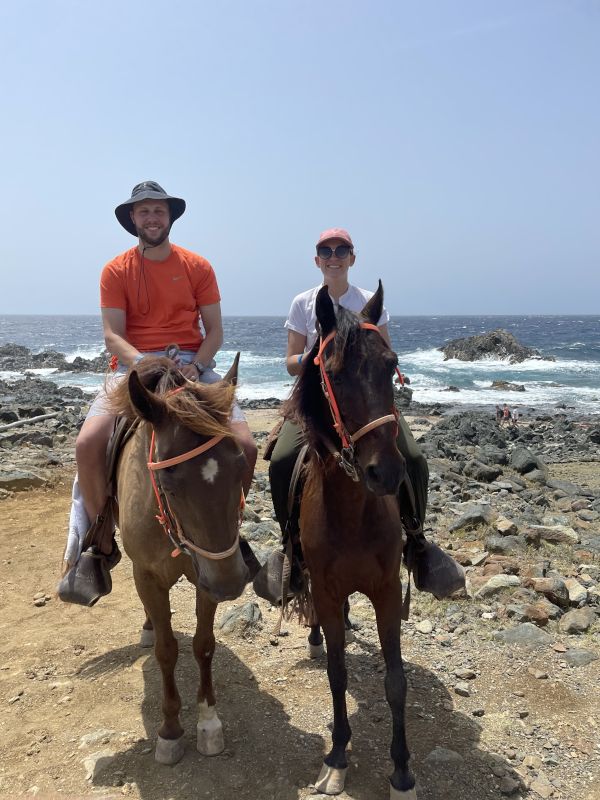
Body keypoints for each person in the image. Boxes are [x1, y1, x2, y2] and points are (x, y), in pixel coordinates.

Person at [60, 181, 258, 602]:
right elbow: (113, 335)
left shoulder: (198, 266)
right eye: (144, 211)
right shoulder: (115, 270)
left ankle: (227, 535)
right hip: (136, 366)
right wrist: (144, 364)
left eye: (159, 211)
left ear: (170, 217)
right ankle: (99, 543)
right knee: (88, 442)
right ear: (133, 219)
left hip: (192, 362)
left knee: (246, 445)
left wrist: (197, 363)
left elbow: (215, 331)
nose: (152, 218)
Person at [253, 227, 464, 604]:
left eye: (342, 250)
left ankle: (416, 542)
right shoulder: (303, 303)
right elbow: (290, 363)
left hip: (365, 402)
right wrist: (316, 355)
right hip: (315, 404)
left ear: (352, 258)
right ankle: (290, 545)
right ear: (317, 260)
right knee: (282, 460)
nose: (334, 256)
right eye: (326, 250)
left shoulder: (367, 300)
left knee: (413, 459)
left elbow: (383, 352)